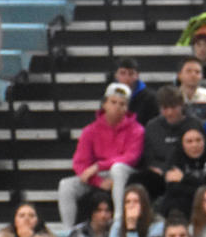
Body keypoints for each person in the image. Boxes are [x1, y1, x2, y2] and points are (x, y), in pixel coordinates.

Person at [58, 84, 144, 229]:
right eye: (113, 102)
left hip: (125, 173)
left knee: (118, 168)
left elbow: (131, 157)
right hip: (98, 175)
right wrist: (97, 181)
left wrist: (99, 166)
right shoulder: (90, 131)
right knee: (66, 185)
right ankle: (69, 231)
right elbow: (80, 163)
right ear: (104, 104)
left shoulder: (137, 130)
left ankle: (118, 220)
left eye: (122, 104)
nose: (117, 107)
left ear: (127, 108)